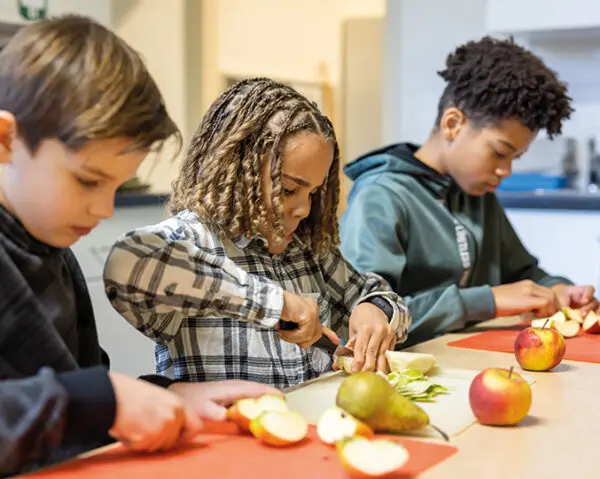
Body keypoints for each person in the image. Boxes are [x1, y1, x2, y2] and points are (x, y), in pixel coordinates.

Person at [0, 15, 279, 477]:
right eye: (87, 180)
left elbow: (79, 388)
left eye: (115, 186)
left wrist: (164, 394)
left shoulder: (55, 252)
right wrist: (103, 402)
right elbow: (72, 403)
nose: (103, 209)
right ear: (6, 139)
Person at [103, 77, 412, 389]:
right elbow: (129, 261)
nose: (304, 208)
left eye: (314, 193)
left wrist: (375, 310)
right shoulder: (189, 241)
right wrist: (274, 303)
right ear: (238, 170)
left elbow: (378, 292)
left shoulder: (308, 251)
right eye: (290, 189)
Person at [339, 36, 598, 347]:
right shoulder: (380, 196)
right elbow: (362, 315)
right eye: (500, 152)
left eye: (515, 159)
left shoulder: (477, 194)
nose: (506, 171)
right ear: (453, 123)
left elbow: (523, 273)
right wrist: (485, 301)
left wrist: (557, 290)